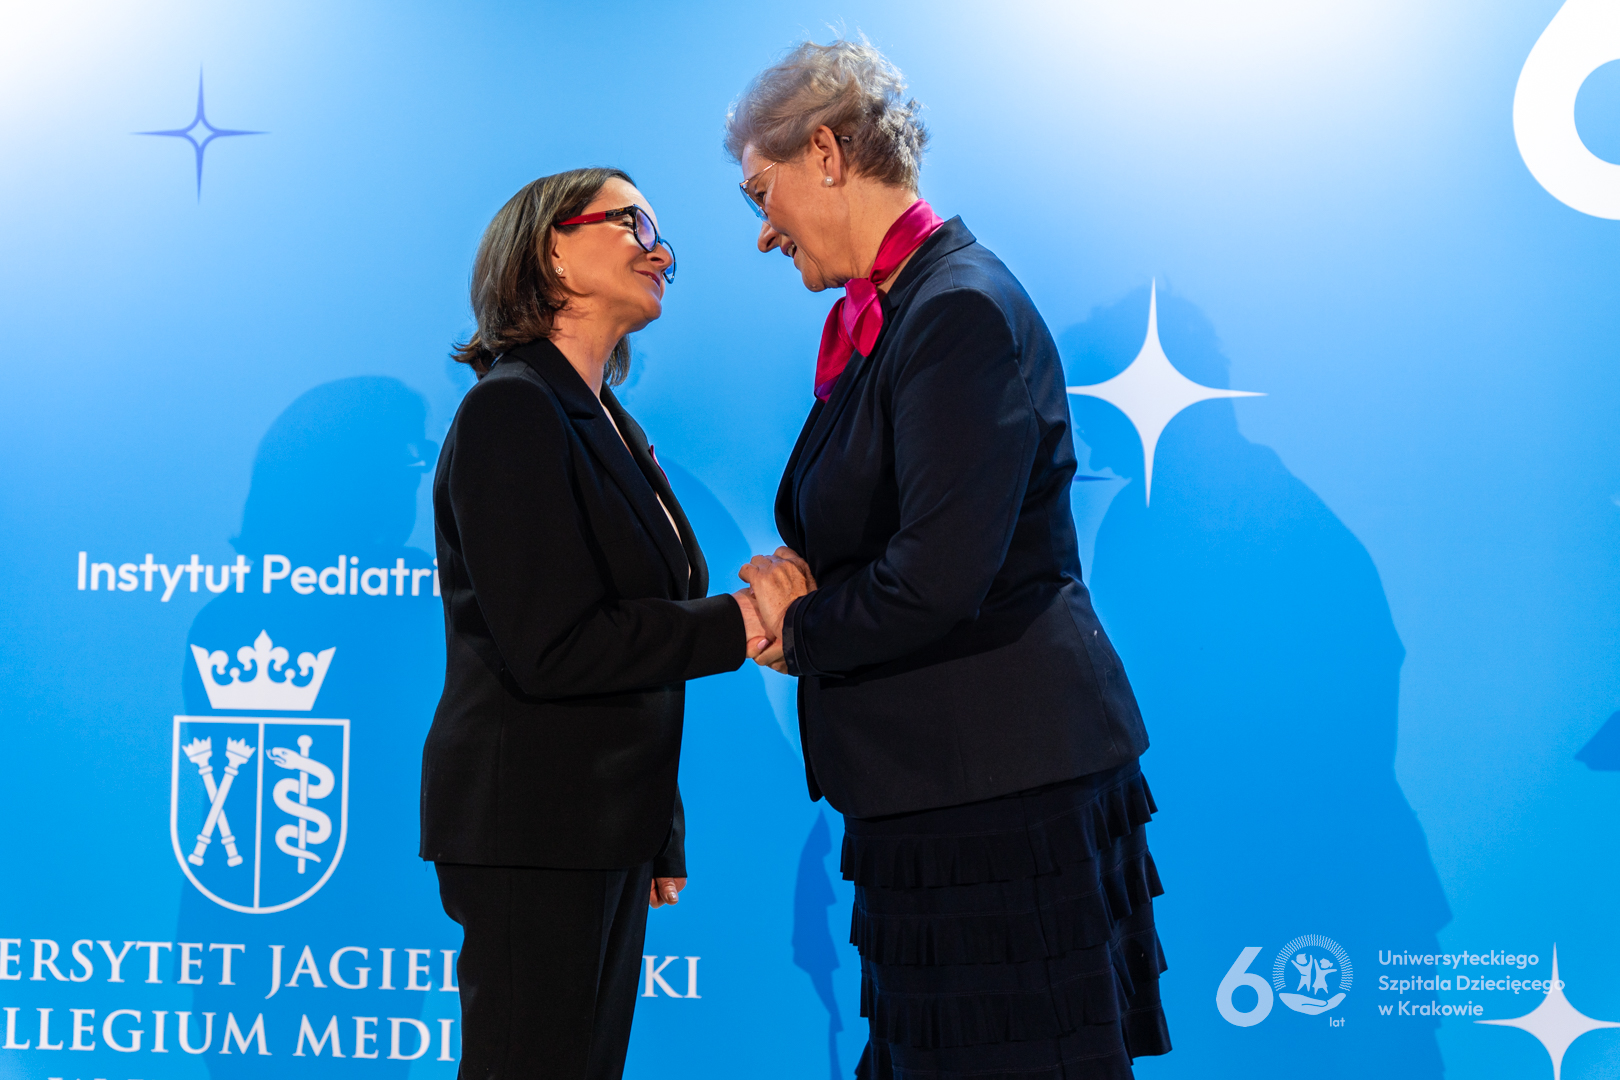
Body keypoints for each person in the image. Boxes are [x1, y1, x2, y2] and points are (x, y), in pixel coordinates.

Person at [728, 41, 1173, 1079]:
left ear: (827, 153)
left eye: (761, 191)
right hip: (949, 787)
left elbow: (935, 577)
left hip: (999, 799)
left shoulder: (954, 307)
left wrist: (799, 626)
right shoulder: (900, 311)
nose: (762, 231)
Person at [420, 167, 770, 1079]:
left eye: (663, 238)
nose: (661, 251)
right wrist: (742, 622)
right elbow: (555, 646)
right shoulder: (510, 408)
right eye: (633, 224)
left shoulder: (605, 417)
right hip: (534, 827)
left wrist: (656, 824)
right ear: (552, 249)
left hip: (599, 822)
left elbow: (638, 636)